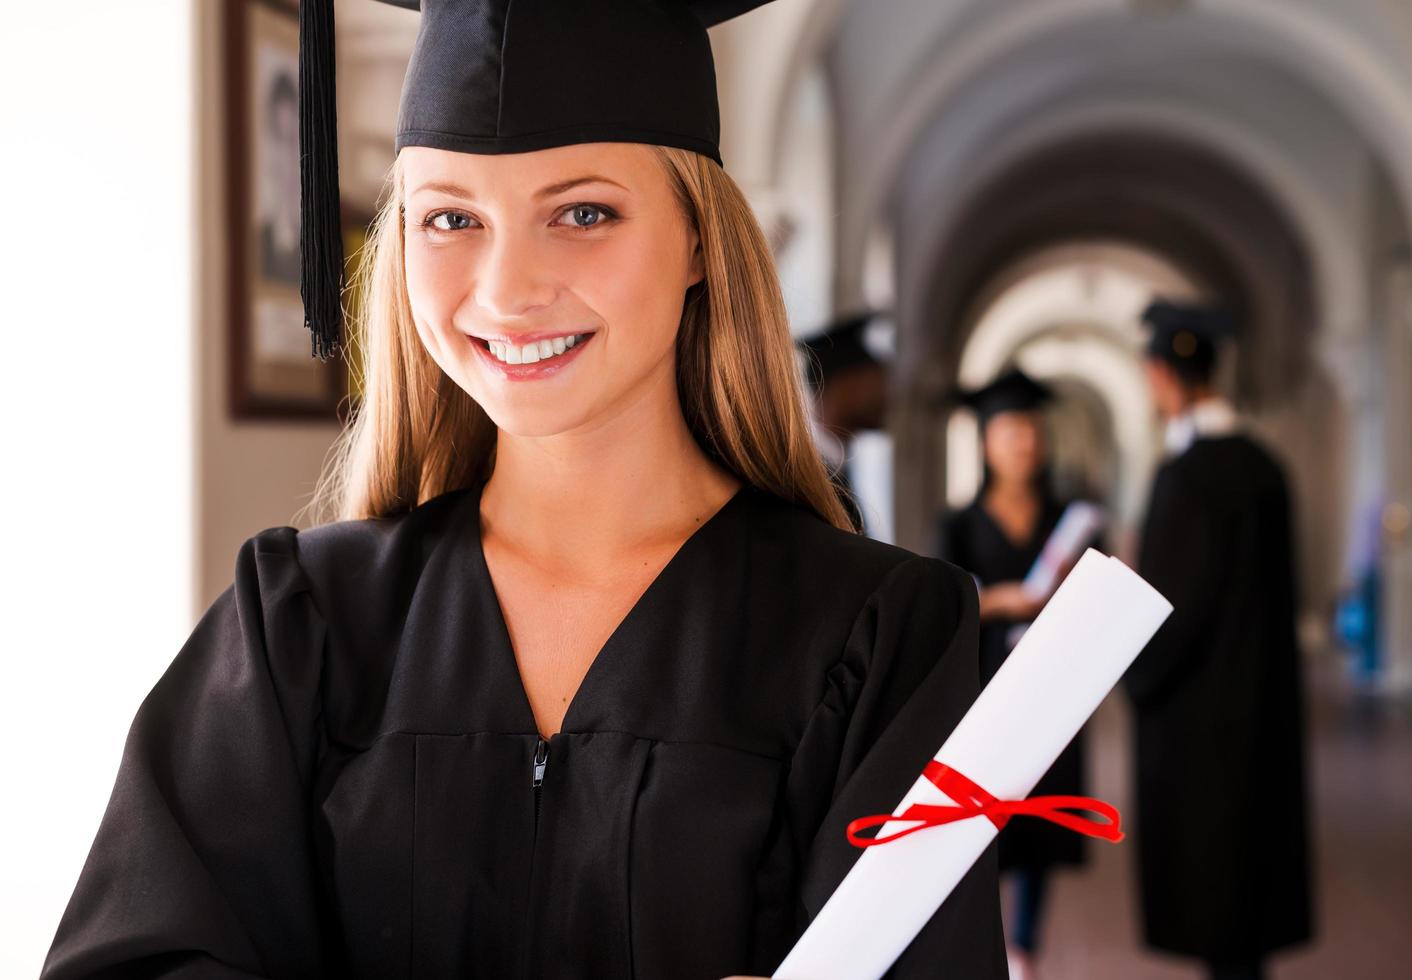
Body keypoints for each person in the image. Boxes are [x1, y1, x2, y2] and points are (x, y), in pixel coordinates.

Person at [39, 1, 1007, 977]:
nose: (506, 290)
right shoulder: (299, 624)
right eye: (451, 218)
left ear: (701, 243)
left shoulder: (877, 639)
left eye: (583, 212)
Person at [1124, 299, 1314, 980]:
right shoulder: (1265, 469)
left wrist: (1131, 674)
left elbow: (1171, 609)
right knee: (1250, 884)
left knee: (1214, 881)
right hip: (1262, 703)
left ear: (1160, 376)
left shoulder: (1185, 478)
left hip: (1198, 719)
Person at [934, 368, 1102, 977]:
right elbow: (939, 605)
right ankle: (989, 941)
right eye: (1010, 431)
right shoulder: (956, 523)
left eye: (1031, 431)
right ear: (986, 443)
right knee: (983, 819)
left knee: (1040, 819)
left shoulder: (1071, 520)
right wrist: (1002, 601)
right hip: (981, 691)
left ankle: (1026, 947)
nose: (1024, 442)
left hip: (1053, 690)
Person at [799, 310, 891, 534]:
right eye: (876, 379)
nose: (887, 394)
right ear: (844, 387)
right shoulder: (803, 479)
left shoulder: (842, 470)